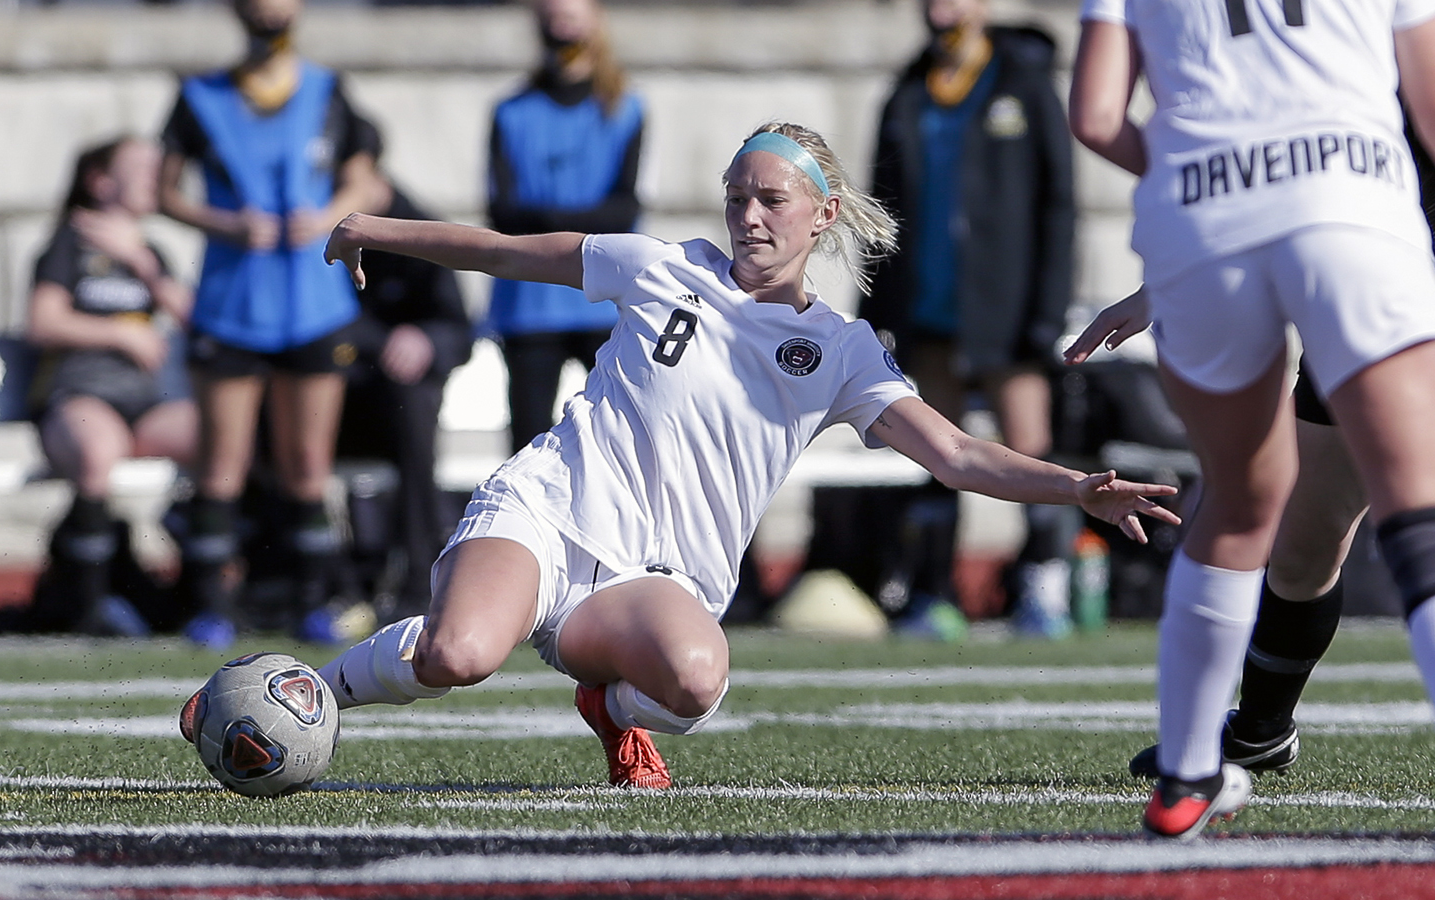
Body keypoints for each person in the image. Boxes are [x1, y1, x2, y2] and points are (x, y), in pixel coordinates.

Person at [254, 122, 1180, 792]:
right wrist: (375, 229)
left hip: (656, 575)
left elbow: (956, 454)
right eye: (737, 197)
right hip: (546, 513)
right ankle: (304, 691)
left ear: (823, 216)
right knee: (458, 655)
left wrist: (1075, 487)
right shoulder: (661, 266)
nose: (748, 216)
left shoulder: (845, 350)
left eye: (772, 200)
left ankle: (614, 711)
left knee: (697, 684)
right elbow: (500, 252)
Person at [1069, 0, 1435, 837]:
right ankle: (1255, 731)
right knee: (1394, 516)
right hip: (1357, 212)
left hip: (1213, 213)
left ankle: (1187, 772)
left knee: (1239, 502)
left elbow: (1095, 115)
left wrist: (1196, 177)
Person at [157, 0, 388, 649]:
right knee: (221, 464)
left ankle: (313, 597)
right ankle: (210, 605)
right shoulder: (199, 97)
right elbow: (164, 193)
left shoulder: (329, 91)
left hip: (314, 304)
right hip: (232, 303)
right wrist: (227, 224)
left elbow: (365, 180)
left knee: (307, 463)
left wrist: (329, 216)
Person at [862, 0, 1077, 639]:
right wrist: (873, 310)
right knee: (936, 453)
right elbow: (877, 207)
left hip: (1007, 311)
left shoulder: (1023, 84)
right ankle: (933, 594)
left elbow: (1057, 202)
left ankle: (1045, 588)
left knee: (1029, 445)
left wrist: (1048, 308)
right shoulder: (908, 88)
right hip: (929, 305)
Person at [25, 137, 199, 636]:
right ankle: (90, 604)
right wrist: (119, 333)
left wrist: (142, 263)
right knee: (99, 451)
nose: (156, 175)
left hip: (143, 406)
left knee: (226, 444)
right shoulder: (68, 246)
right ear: (101, 181)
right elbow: (42, 321)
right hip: (77, 398)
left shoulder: (151, 254)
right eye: (142, 166)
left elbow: (196, 321)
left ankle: (205, 595)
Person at [487, 0, 643, 452]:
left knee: (620, 438)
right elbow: (503, 213)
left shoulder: (625, 108)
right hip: (531, 303)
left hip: (604, 299)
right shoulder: (511, 112)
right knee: (527, 443)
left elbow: (625, 208)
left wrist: (547, 220)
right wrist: (581, 222)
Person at [335, 164, 473, 620]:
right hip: (330, 392)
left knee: (413, 406)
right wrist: (375, 341)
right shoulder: (312, 228)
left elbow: (457, 330)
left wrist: (425, 340)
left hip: (393, 402)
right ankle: (303, 581)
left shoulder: (422, 232)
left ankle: (419, 580)